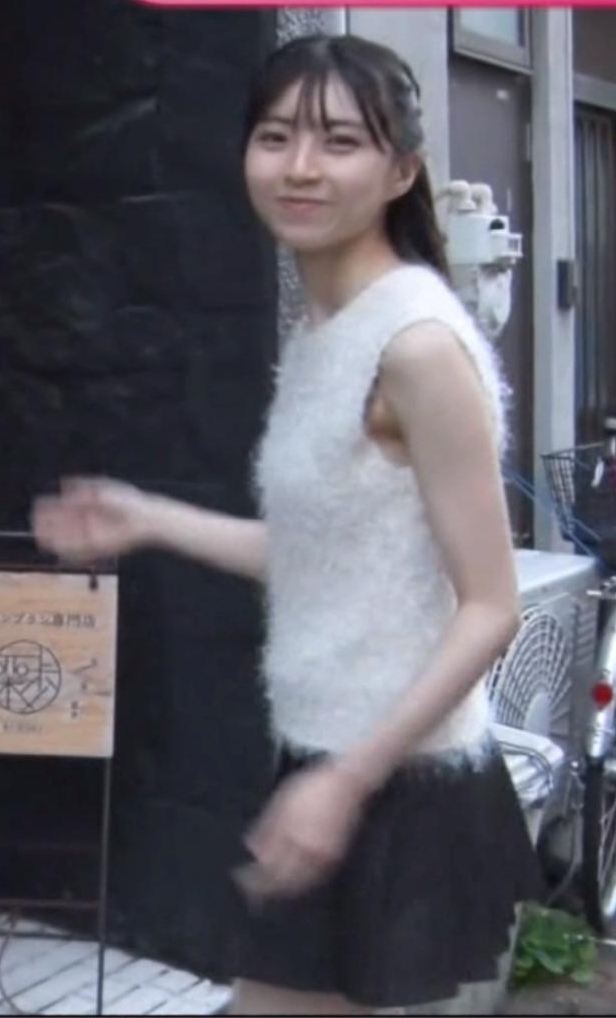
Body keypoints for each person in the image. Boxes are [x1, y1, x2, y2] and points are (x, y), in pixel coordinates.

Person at [33, 33, 541, 1018]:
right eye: (275, 137)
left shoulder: (415, 346)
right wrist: (148, 517)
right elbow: (333, 561)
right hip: (335, 751)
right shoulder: (327, 331)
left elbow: (490, 606)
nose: (300, 166)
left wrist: (346, 782)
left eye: (339, 142)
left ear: (400, 171)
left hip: (396, 776)